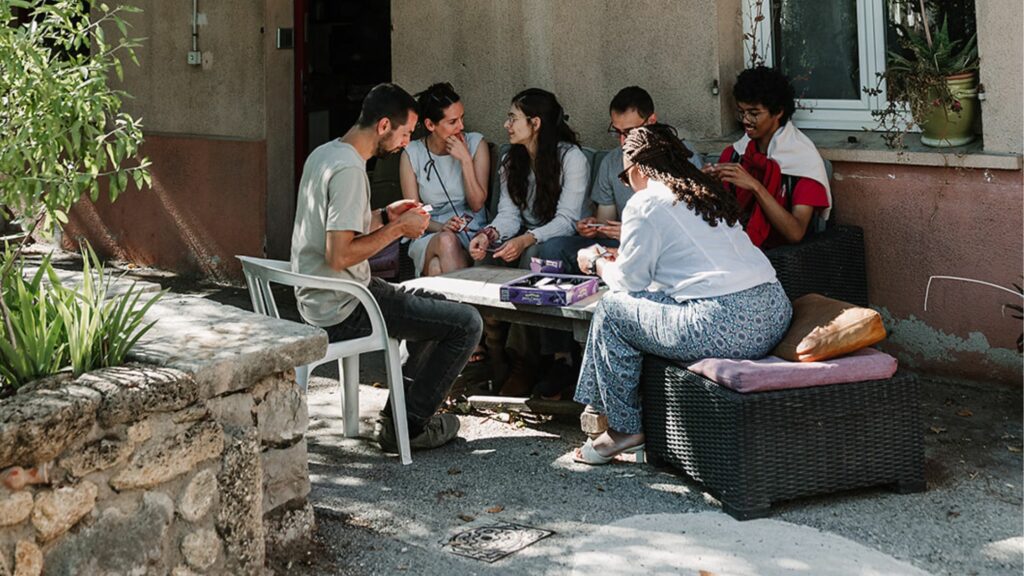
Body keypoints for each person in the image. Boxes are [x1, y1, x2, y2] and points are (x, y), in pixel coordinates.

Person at [571, 124, 792, 465]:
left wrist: (597, 261)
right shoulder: (703, 193)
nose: (627, 186)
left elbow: (627, 285)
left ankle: (622, 428)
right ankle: (603, 413)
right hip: (775, 311)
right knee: (636, 307)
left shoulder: (645, 202)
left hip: (726, 324)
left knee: (612, 310)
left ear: (640, 169)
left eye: (625, 177)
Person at [290, 83, 483, 454]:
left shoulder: (325, 154)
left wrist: (383, 215)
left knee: (431, 301)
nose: (407, 142)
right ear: (383, 126)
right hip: (344, 306)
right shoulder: (349, 171)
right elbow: (340, 255)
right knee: (466, 324)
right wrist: (398, 229)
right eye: (406, 133)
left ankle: (399, 415)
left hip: (325, 295)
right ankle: (408, 427)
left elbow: (337, 230)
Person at [467, 88, 589, 396]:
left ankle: (527, 362)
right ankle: (495, 356)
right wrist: (489, 235)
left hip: (562, 239)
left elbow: (567, 219)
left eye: (513, 118)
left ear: (535, 123)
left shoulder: (571, 158)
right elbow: (508, 214)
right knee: (486, 258)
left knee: (532, 256)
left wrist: (526, 239)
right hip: (527, 236)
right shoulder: (512, 160)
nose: (507, 124)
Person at [537, 86, 703, 273]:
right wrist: (594, 227)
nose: (623, 141)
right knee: (553, 248)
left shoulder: (682, 156)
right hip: (618, 244)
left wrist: (637, 234)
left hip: (664, 245)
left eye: (630, 132)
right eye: (617, 132)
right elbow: (605, 221)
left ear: (651, 122)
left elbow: (690, 224)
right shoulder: (611, 162)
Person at [703, 66, 832, 249]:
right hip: (732, 249)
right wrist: (706, 185)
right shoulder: (734, 154)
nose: (746, 120)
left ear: (778, 112)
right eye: (742, 112)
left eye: (754, 113)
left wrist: (756, 187)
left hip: (781, 257)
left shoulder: (803, 162)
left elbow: (795, 233)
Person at [400, 82, 490, 277]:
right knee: (446, 240)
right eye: (452, 122)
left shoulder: (475, 143)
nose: (461, 127)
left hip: (471, 231)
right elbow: (414, 213)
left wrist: (466, 160)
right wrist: (442, 227)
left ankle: (456, 307)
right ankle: (469, 305)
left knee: (435, 268)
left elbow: (476, 204)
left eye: (462, 118)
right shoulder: (412, 153)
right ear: (430, 125)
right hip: (430, 231)